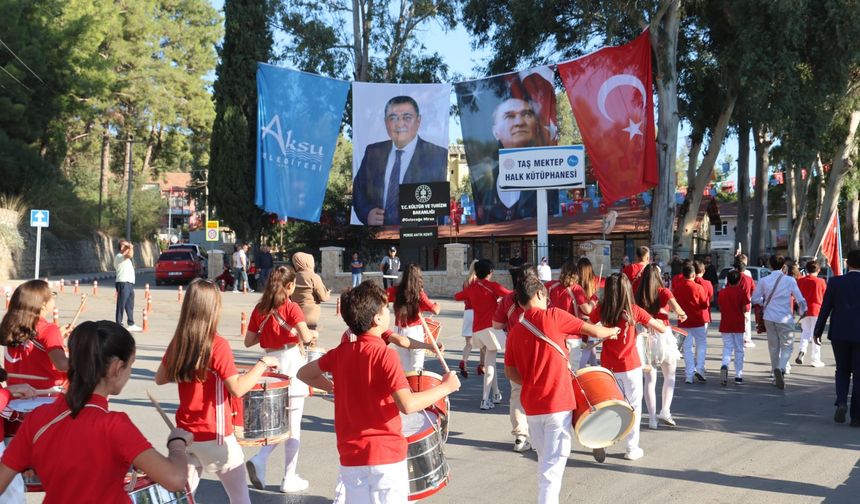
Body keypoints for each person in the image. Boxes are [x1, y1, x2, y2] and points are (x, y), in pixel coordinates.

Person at [297, 281, 460, 503]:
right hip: (385, 457)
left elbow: (304, 374)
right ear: (378, 319)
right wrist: (446, 387)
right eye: (386, 310)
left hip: (351, 457)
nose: (389, 313)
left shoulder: (339, 353)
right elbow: (408, 404)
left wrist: (335, 388)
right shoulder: (385, 355)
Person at [0, 321, 191, 501]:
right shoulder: (114, 425)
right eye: (130, 366)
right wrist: (177, 444)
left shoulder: (37, 418)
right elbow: (175, 480)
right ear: (117, 367)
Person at [156, 279, 280, 504]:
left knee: (181, 499)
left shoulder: (179, 342)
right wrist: (262, 364)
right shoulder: (218, 345)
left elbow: (160, 378)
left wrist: (188, 367)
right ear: (213, 309)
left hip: (186, 436)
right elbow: (238, 388)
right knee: (240, 499)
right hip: (216, 436)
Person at [505, 275, 620, 503]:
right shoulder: (553, 316)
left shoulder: (515, 331)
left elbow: (510, 372)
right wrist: (612, 331)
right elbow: (594, 331)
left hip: (533, 405)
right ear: (539, 294)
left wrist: (531, 382)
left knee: (545, 463)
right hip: (557, 402)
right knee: (552, 466)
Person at [244, 266, 318, 493]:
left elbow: (248, 341)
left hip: (269, 366)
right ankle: (288, 476)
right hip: (291, 363)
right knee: (293, 426)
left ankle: (261, 461)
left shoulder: (260, 309)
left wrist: (268, 332)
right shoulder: (291, 307)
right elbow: (306, 337)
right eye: (293, 285)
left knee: (277, 422)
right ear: (288, 286)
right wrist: (311, 335)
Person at [589, 273, 667, 461]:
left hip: (608, 366)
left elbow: (590, 322)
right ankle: (631, 448)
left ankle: (603, 440)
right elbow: (661, 328)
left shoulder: (602, 309)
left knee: (609, 406)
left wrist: (594, 301)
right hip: (630, 366)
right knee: (633, 407)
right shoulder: (634, 310)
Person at [352, 95, 448, 225]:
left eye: (407, 117)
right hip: (376, 238)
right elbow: (358, 191)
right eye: (393, 118)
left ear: (418, 121)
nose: (400, 123)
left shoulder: (437, 155)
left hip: (416, 239)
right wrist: (367, 213)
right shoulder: (373, 153)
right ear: (386, 123)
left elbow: (440, 207)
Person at [470, 98, 558, 223]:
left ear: (537, 127)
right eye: (509, 116)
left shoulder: (553, 177)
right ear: (495, 132)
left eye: (526, 114)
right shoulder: (482, 185)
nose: (519, 122)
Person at [492, 264, 538, 453]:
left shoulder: (508, 299)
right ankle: (539, 435)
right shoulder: (540, 296)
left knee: (517, 393)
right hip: (537, 349)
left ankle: (520, 435)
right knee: (538, 391)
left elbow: (496, 324)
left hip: (515, 349)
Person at [454, 259, 511, 410]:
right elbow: (511, 295)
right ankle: (485, 399)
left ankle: (497, 393)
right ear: (490, 272)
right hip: (491, 329)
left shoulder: (471, 288)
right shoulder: (493, 286)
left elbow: (457, 296)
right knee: (491, 364)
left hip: (477, 330)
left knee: (490, 362)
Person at [634, 264, 686, 428]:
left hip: (645, 336)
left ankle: (651, 419)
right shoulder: (664, 292)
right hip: (662, 334)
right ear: (659, 276)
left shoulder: (638, 293)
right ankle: (665, 410)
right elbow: (678, 310)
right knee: (670, 375)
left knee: (649, 379)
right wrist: (680, 314)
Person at [813, 249, 860, 425]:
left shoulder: (835, 282)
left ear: (848, 264)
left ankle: (841, 402)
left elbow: (825, 308)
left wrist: (817, 330)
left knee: (842, 370)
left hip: (839, 333)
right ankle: (856, 417)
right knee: (859, 375)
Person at [0, 280, 70, 389]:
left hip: (16, 394)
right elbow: (62, 365)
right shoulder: (49, 330)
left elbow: (32, 350)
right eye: (52, 295)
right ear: (43, 304)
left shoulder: (12, 326)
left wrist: (57, 338)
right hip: (46, 396)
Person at [751, 255, 807, 390]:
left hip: (769, 316)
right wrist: (803, 310)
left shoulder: (764, 280)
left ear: (770, 265)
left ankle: (774, 370)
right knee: (787, 346)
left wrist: (764, 302)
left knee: (773, 347)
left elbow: (754, 299)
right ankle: (781, 369)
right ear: (784, 266)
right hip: (785, 317)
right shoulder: (790, 280)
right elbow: (800, 299)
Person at [388, 264, 441, 371]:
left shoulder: (396, 290)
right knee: (417, 367)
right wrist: (437, 305)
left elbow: (382, 298)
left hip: (399, 331)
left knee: (404, 367)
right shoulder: (419, 293)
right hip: (415, 331)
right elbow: (435, 310)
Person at [673, 263, 711, 384]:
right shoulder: (699, 288)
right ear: (693, 274)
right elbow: (705, 305)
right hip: (698, 320)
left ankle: (689, 374)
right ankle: (700, 368)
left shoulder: (677, 288)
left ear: (683, 275)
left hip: (684, 321)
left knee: (687, 348)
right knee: (701, 344)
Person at [717, 270, 749, 386]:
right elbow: (745, 309)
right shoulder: (742, 292)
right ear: (739, 280)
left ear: (727, 280)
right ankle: (738, 375)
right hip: (738, 324)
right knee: (739, 349)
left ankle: (725, 364)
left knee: (727, 347)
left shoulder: (722, 292)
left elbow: (720, 307)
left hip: (725, 323)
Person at [796, 261, 827, 367]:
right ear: (818, 270)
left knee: (805, 332)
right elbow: (825, 297)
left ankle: (802, 351)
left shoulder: (800, 281)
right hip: (817, 310)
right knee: (816, 335)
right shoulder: (821, 281)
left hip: (804, 310)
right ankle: (815, 359)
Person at [291, 252, 330, 332]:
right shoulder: (314, 277)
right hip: (311, 313)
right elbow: (323, 297)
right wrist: (328, 293)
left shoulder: (292, 277)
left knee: (298, 337)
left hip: (295, 312)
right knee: (311, 338)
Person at [114, 239, 140, 330]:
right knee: (121, 303)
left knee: (129, 304)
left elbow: (130, 254)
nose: (127, 248)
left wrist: (130, 246)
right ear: (121, 248)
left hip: (129, 283)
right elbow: (129, 254)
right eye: (125, 247)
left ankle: (131, 323)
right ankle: (118, 323)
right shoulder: (119, 256)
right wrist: (130, 246)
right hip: (123, 282)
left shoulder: (126, 257)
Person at [459, 260, 478, 378]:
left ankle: (464, 361)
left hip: (467, 312)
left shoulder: (466, 282)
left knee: (468, 343)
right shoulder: (479, 282)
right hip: (477, 312)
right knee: (484, 343)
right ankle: (483, 365)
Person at [734, 254, 757, 348]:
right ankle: (746, 339)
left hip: (734, 300)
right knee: (746, 320)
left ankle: (737, 339)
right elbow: (752, 289)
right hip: (746, 301)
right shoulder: (747, 273)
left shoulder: (731, 273)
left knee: (735, 319)